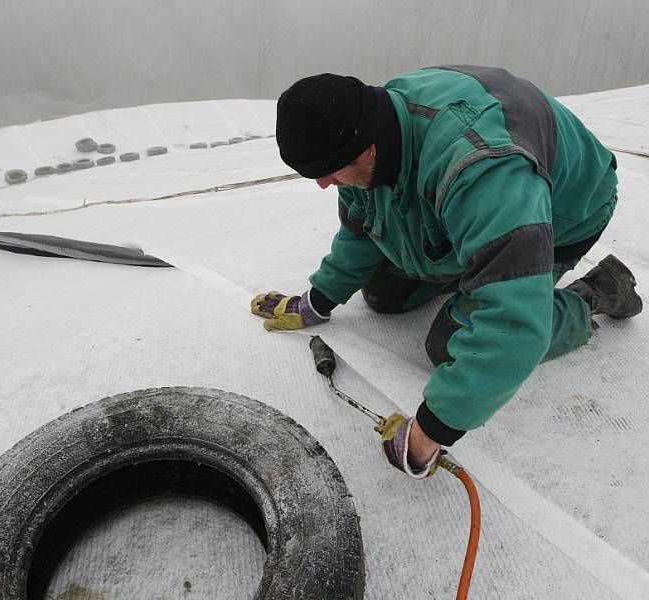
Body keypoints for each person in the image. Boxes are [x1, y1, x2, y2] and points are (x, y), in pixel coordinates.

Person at [251, 66, 642, 478]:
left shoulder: (483, 169)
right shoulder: (366, 124)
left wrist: (426, 434)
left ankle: (595, 293)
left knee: (452, 341)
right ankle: (476, 259)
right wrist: (316, 300)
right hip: (486, 201)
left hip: (564, 210)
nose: (324, 184)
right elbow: (363, 224)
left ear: (367, 148)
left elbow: (513, 327)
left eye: (329, 172)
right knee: (385, 292)